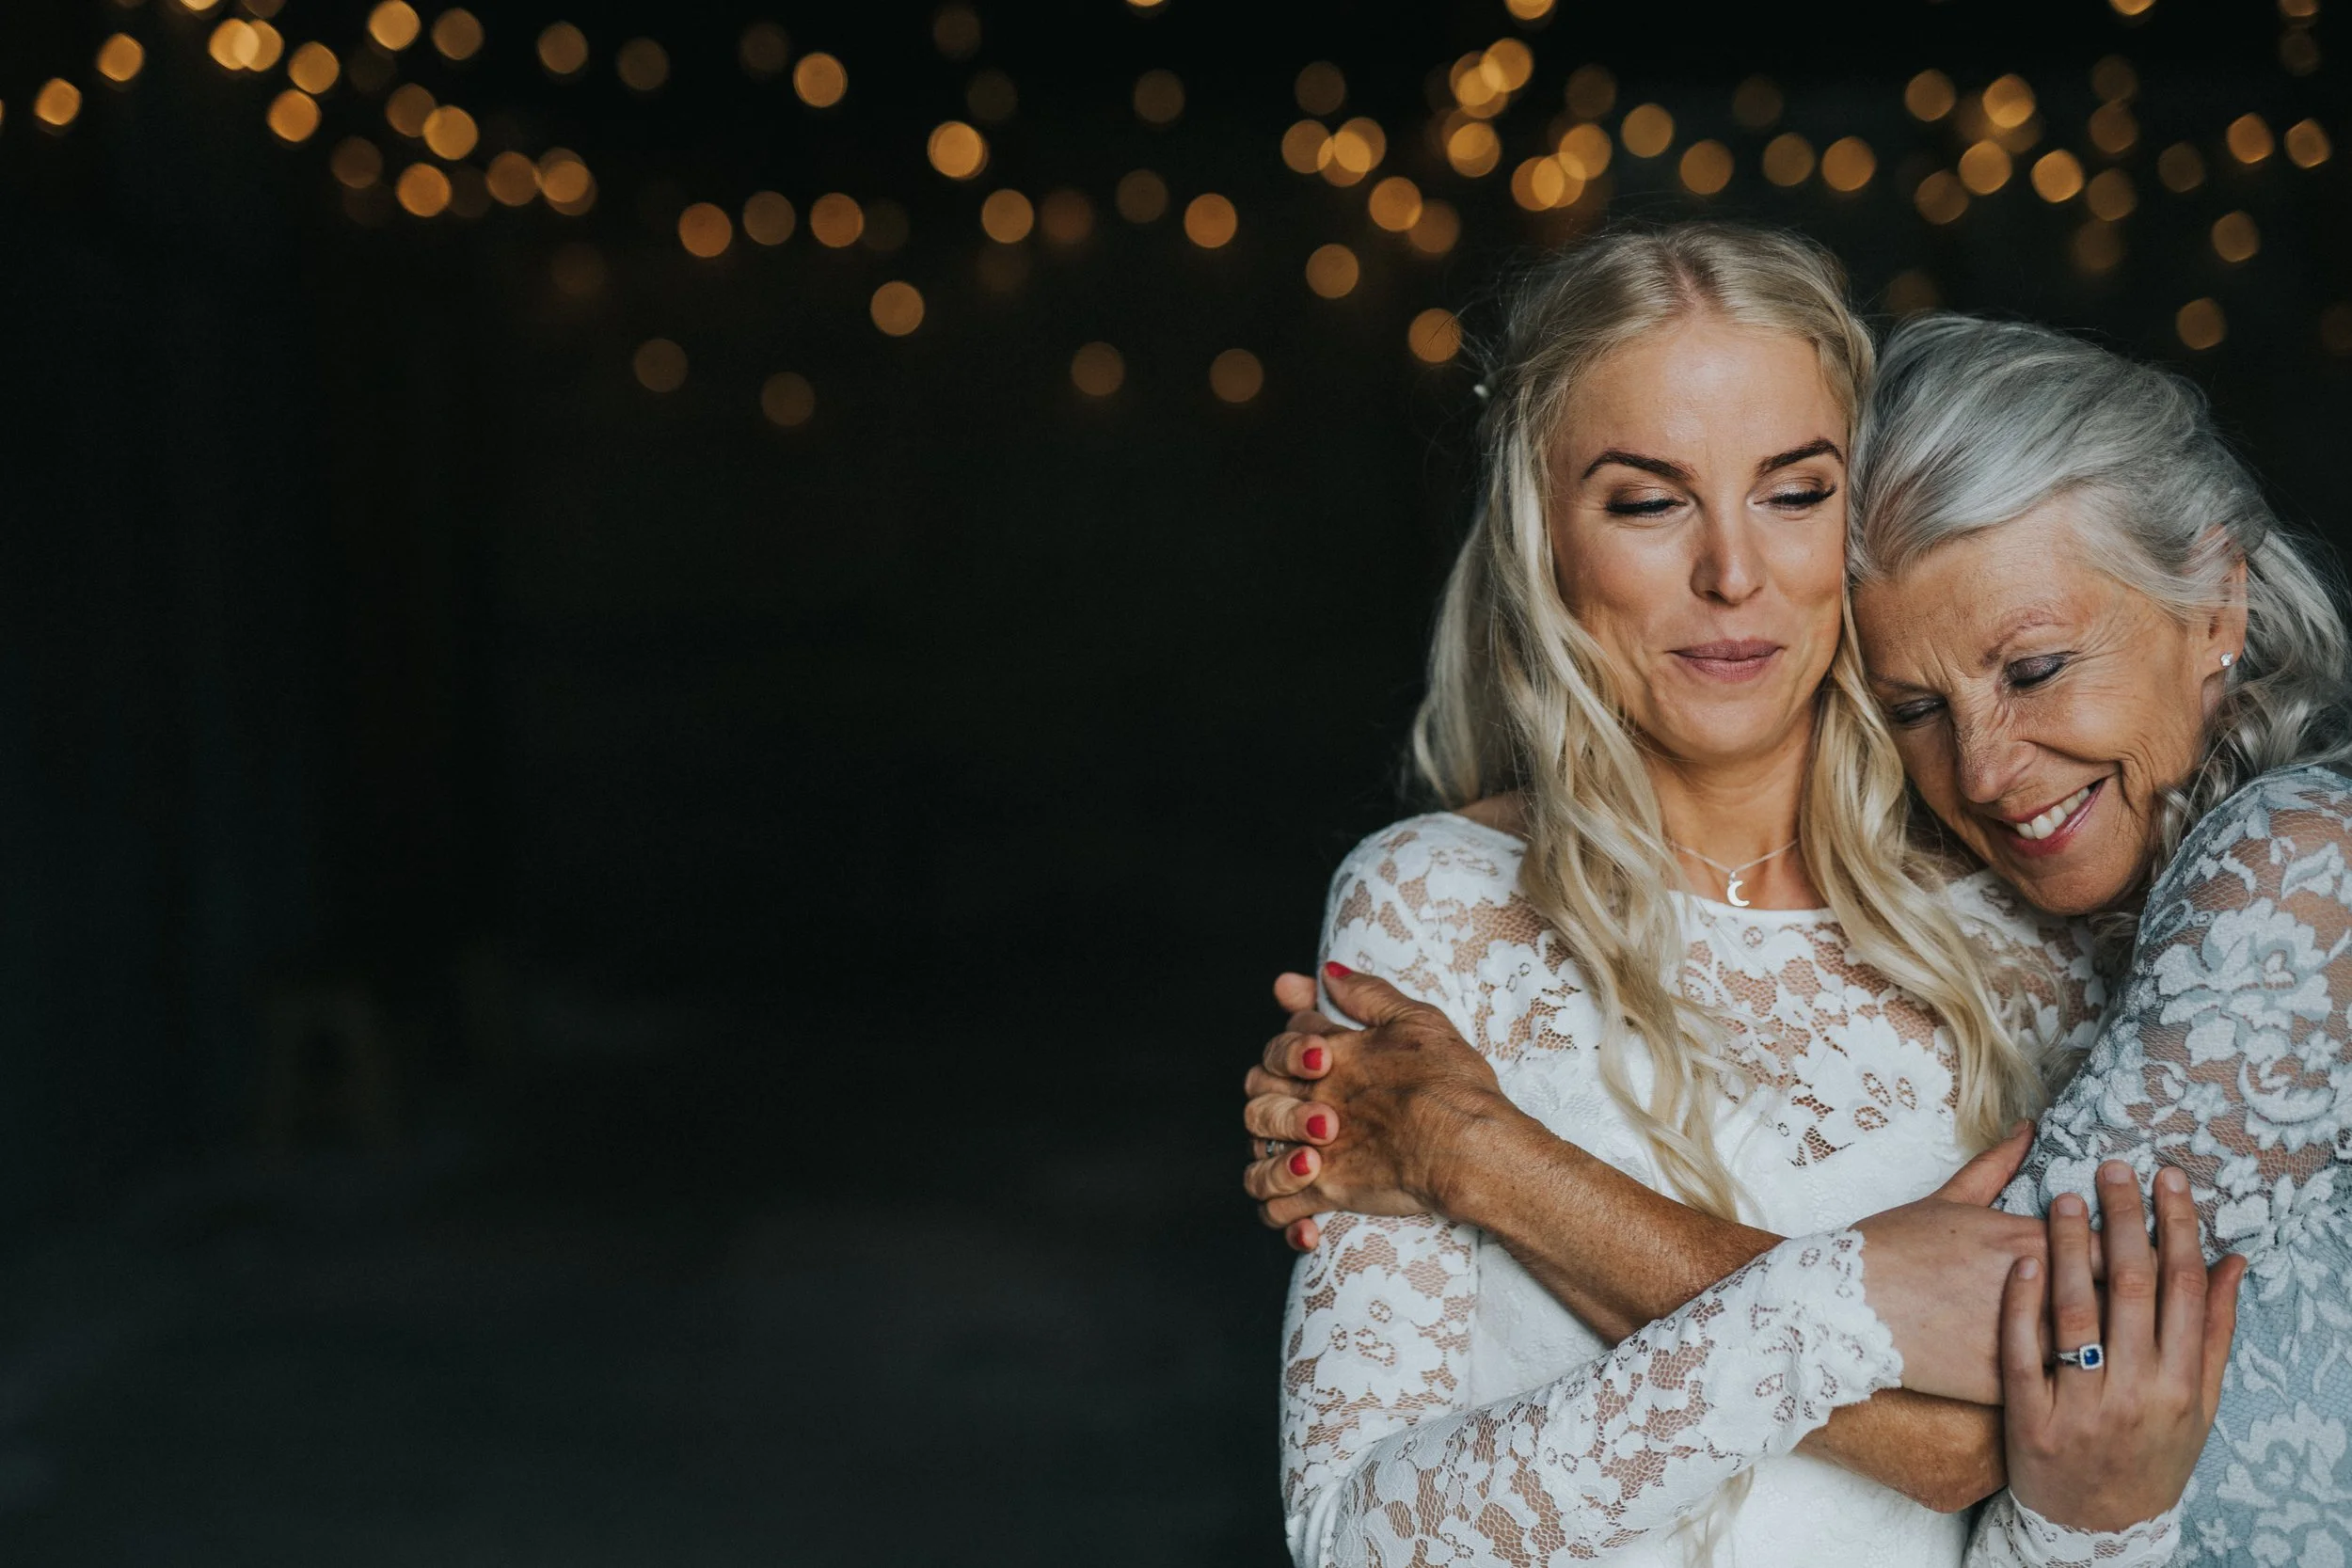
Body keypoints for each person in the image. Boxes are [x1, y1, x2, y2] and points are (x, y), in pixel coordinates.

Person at [1249, 307, 2352, 1562]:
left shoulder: (2297, 868)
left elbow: (1965, 1429)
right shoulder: (2078, 928)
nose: (1985, 771)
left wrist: (1488, 1162)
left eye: (2038, 668)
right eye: (1917, 705)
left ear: (2218, 604)